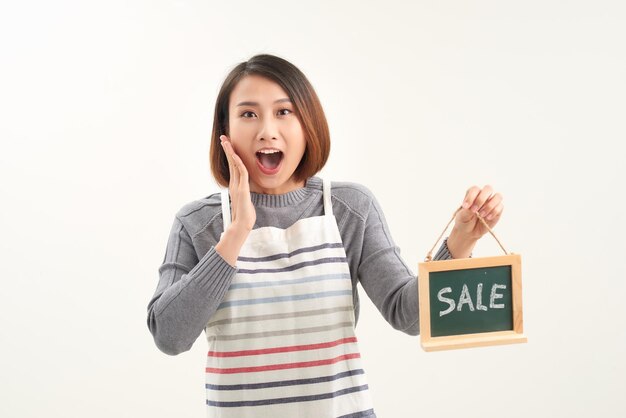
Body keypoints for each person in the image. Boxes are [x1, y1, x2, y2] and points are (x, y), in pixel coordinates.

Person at [146, 53, 504, 418]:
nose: (267, 130)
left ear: (308, 125)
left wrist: (459, 242)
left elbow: (407, 315)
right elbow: (169, 336)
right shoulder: (198, 222)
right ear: (225, 131)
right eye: (248, 113)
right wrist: (236, 233)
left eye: (284, 112)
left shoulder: (349, 207)